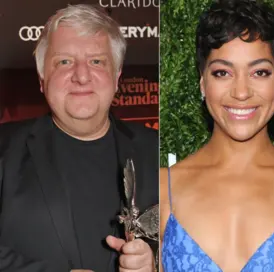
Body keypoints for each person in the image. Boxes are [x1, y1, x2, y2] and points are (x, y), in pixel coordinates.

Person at [158, 0, 274, 271]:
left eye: (259, 72)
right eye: (223, 72)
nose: (241, 92)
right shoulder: (163, 189)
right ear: (202, 82)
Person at [0, 4, 158, 272]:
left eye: (96, 61)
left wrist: (155, 265)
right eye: (64, 61)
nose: (82, 76)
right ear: (41, 78)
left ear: (117, 77)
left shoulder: (159, 150)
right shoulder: (4, 148)